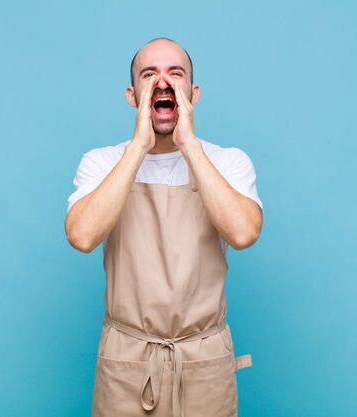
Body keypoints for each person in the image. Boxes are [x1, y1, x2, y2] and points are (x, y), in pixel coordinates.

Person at [65, 38, 263, 417]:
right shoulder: (101, 162)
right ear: (132, 94)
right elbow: (82, 236)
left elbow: (243, 234)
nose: (163, 82)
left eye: (176, 73)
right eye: (149, 74)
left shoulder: (228, 161)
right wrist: (137, 148)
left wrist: (189, 145)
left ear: (193, 92)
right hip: (127, 362)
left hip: (203, 362)